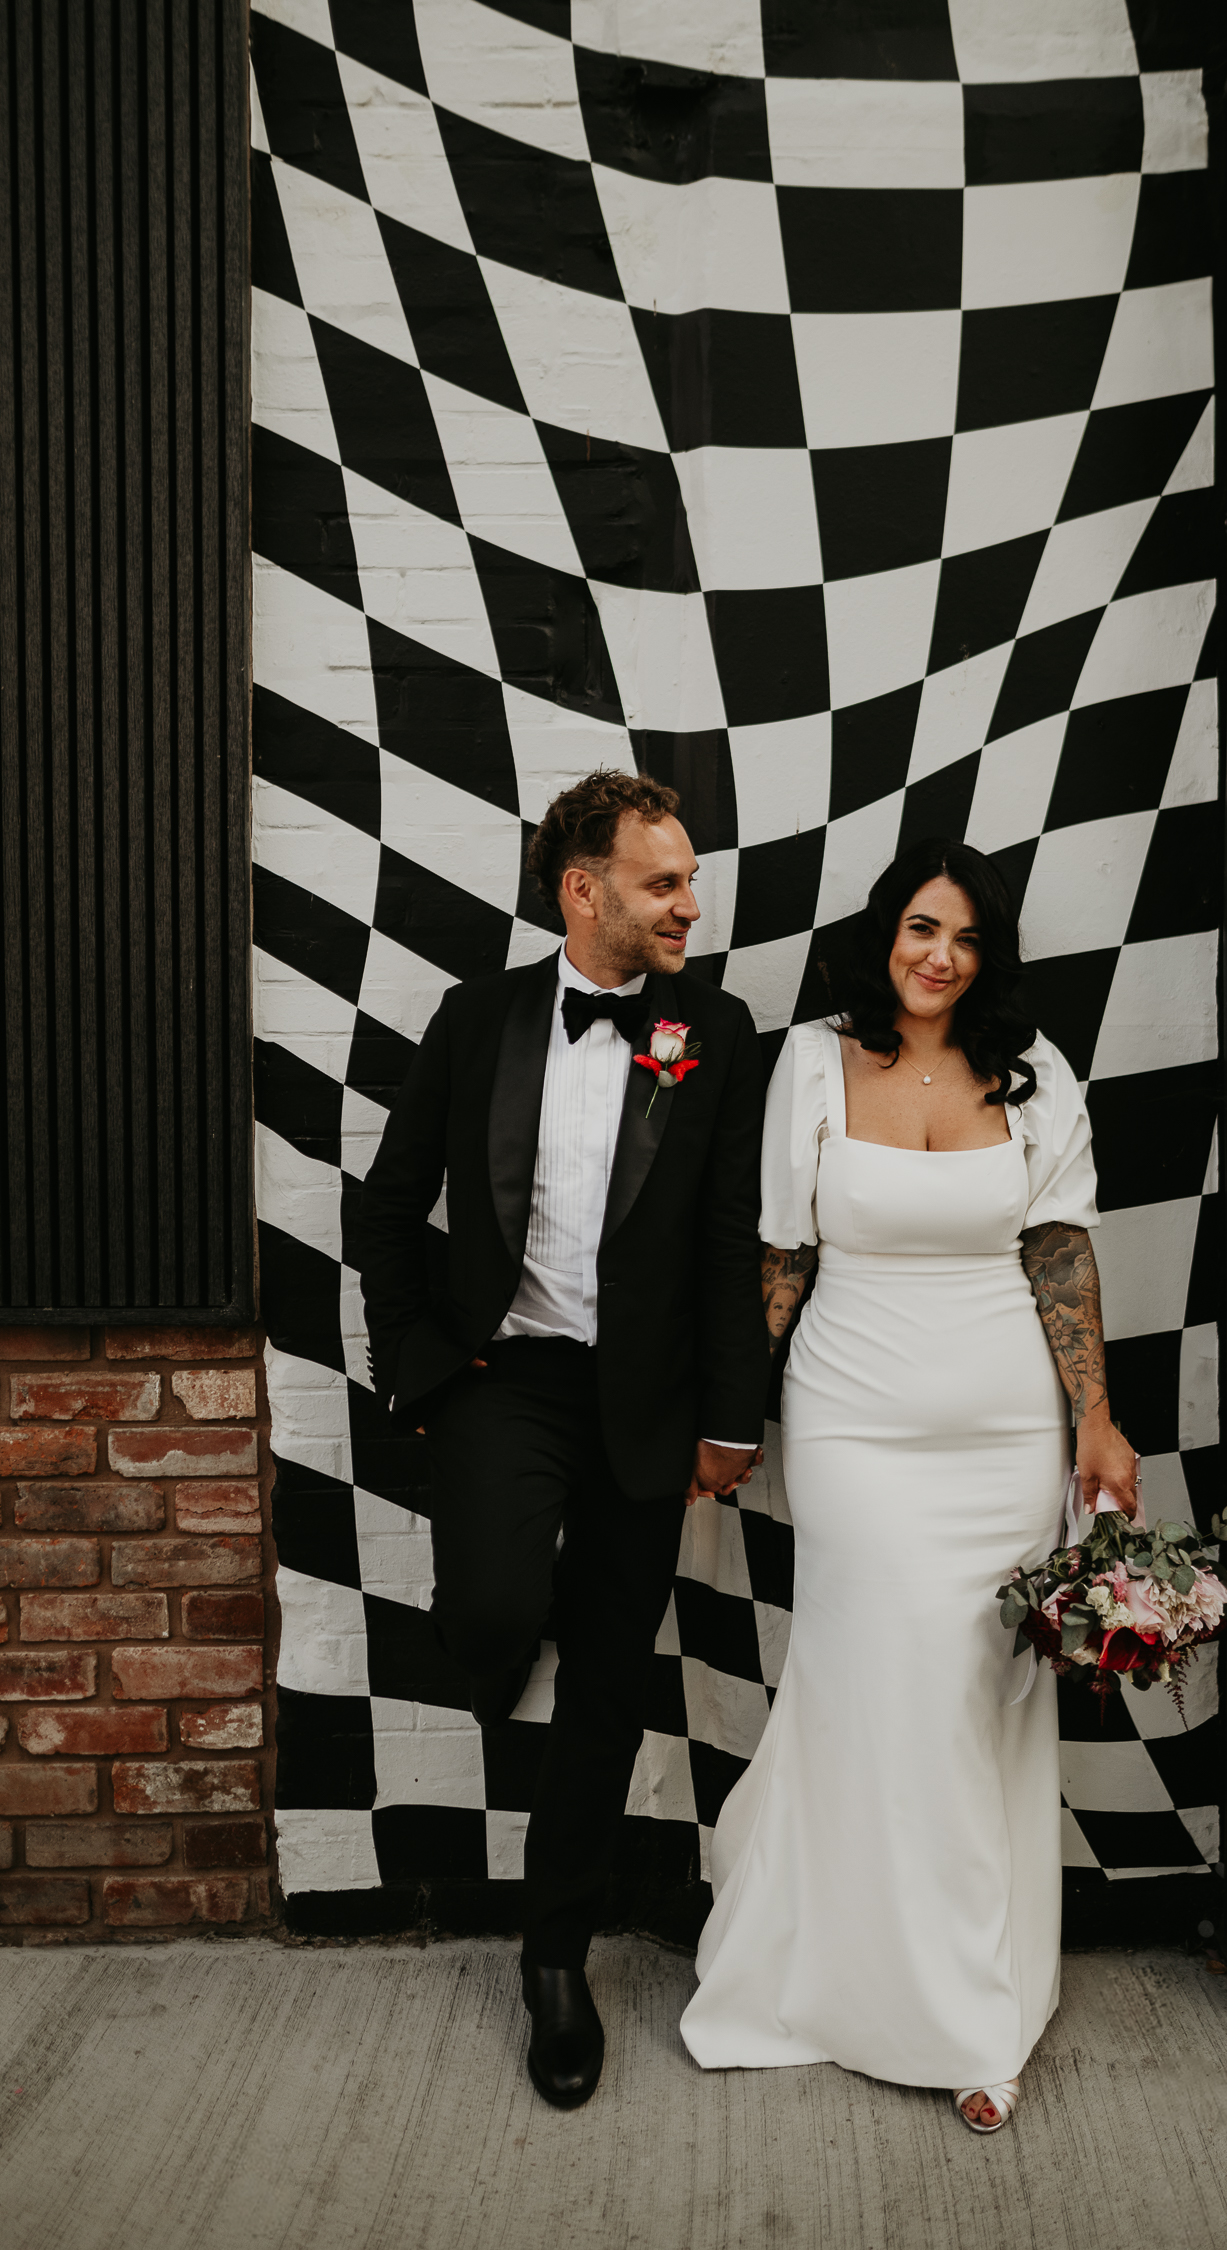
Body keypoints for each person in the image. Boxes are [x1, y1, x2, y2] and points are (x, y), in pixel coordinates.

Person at [679, 836, 1139, 2134]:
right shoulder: (814, 1060)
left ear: (987, 956)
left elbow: (1059, 1250)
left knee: (972, 1699)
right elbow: (780, 1255)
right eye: (922, 927)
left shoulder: (1034, 1075)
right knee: (874, 1681)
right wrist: (728, 1416)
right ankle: (846, 1973)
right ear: (888, 930)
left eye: (967, 937)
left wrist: (1096, 1419)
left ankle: (972, 2009)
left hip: (1002, 1435)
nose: (940, 954)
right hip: (854, 1431)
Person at [360, 769, 767, 2110]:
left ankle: (555, 1961)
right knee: (491, 1607)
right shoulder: (478, 1019)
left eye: (690, 880)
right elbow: (389, 1201)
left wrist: (729, 1413)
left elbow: (724, 1235)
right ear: (581, 887)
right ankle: (500, 1623)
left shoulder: (713, 1026)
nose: (688, 906)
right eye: (664, 882)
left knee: (605, 1683)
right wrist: (411, 1369)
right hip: (506, 1376)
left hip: (645, 1402)